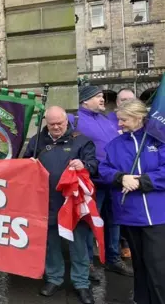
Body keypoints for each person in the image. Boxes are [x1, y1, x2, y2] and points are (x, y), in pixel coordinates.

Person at [24, 106, 98, 304]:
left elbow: (94, 165)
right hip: (46, 203)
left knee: (79, 245)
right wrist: (28, 163)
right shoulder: (37, 141)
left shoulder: (81, 141)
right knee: (51, 244)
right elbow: (24, 164)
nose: (56, 127)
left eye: (60, 123)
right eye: (51, 124)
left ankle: (82, 283)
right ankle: (54, 278)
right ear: (46, 122)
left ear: (67, 121)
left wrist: (84, 165)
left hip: (74, 204)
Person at [100, 99, 165, 304]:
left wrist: (142, 181)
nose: (119, 124)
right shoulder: (115, 144)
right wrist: (121, 177)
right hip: (129, 214)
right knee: (140, 264)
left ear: (138, 118)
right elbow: (104, 170)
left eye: (123, 120)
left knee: (158, 266)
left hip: (156, 215)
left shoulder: (158, 140)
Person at [70, 86, 132, 279]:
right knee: (89, 224)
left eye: (102, 97)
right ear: (85, 101)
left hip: (113, 180)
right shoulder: (75, 119)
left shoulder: (107, 120)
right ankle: (87, 263)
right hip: (91, 181)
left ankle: (113, 259)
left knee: (114, 222)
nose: (102, 99)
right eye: (97, 97)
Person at [108, 88, 136, 259]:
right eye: (123, 99)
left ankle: (127, 245)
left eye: (129, 99)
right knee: (114, 216)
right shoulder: (108, 121)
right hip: (117, 177)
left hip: (137, 178)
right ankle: (115, 250)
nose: (125, 102)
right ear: (117, 102)